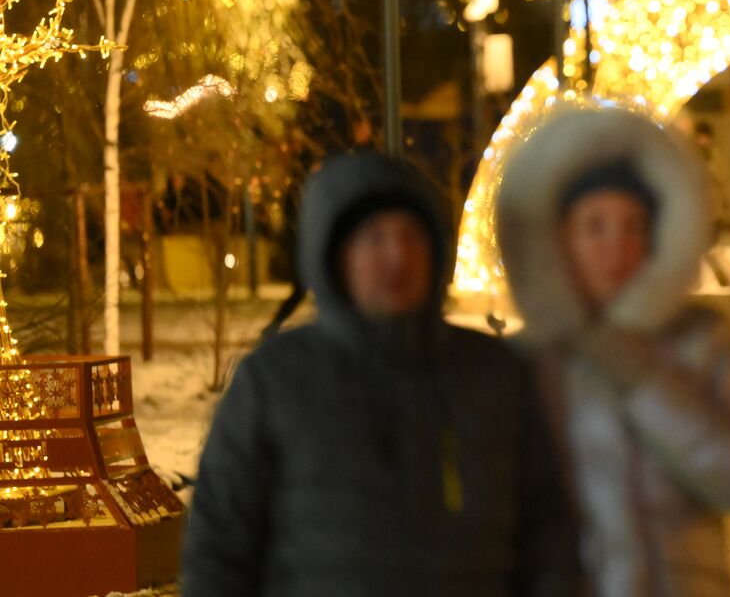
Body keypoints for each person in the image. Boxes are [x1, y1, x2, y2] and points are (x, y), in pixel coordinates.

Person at [183, 152, 578, 597]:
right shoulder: (275, 383)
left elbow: (549, 539)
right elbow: (218, 553)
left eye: (411, 236)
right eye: (374, 237)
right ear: (336, 254)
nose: (397, 256)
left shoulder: (494, 375)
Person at [496, 106, 730, 597]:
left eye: (634, 225)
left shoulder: (700, 339)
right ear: (559, 238)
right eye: (594, 226)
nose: (617, 248)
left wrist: (641, 373)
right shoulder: (528, 362)